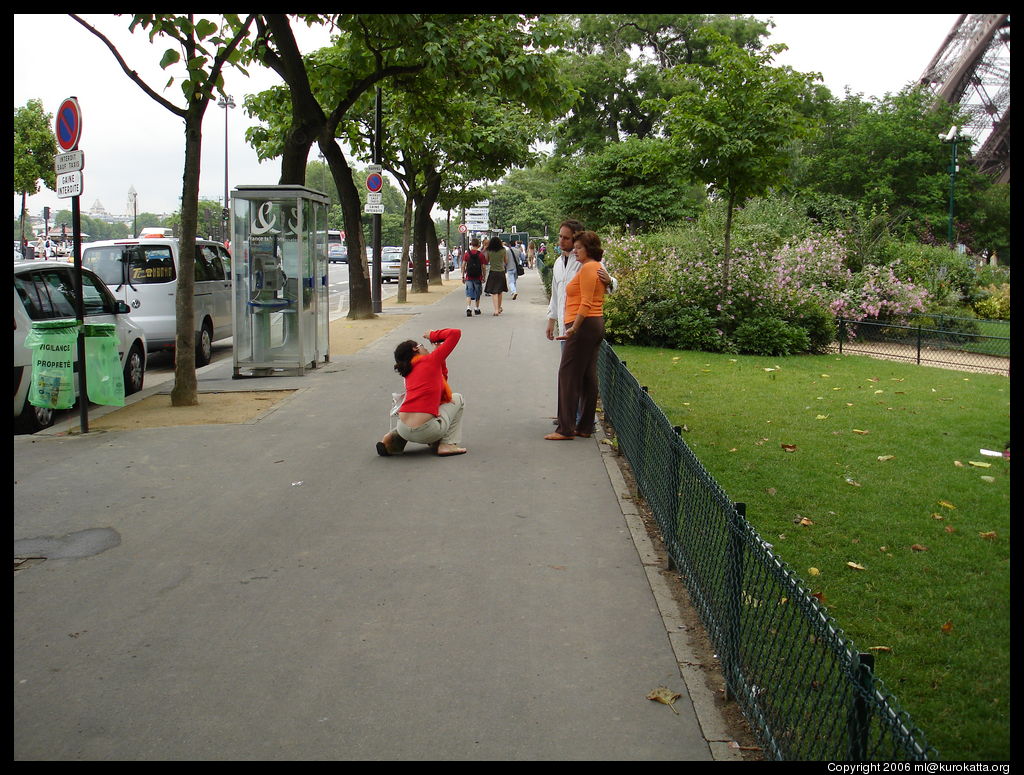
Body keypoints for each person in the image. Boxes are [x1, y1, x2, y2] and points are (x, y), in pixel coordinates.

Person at [545, 231, 607, 441]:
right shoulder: (591, 267)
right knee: (588, 376)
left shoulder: (589, 267)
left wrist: (573, 328)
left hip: (583, 325)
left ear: (588, 249)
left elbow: (587, 302)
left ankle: (566, 428)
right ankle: (584, 426)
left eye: (578, 247)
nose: (575, 251)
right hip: (590, 324)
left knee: (568, 375)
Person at [377, 328, 467, 457]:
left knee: (414, 418)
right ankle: (448, 444)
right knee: (458, 398)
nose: (426, 349)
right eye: (422, 346)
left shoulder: (408, 371)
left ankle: (393, 438)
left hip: (403, 428)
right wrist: (433, 335)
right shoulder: (431, 360)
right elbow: (455, 333)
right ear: (415, 349)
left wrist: (438, 353)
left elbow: (439, 382)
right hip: (426, 430)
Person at [483, 235, 508, 315]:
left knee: (494, 292)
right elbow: (506, 261)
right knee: (500, 291)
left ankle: (496, 309)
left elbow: (486, 261)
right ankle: (499, 308)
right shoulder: (503, 250)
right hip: (501, 272)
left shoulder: (489, 251)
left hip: (493, 272)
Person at [461, 238, 485, 317]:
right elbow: (483, 266)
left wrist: (463, 276)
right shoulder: (481, 255)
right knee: (477, 292)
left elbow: (463, 265)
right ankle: (477, 308)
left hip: (469, 276)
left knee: (469, 292)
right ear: (478, 245)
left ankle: (468, 307)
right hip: (478, 277)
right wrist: (484, 276)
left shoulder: (467, 254)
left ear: (471, 244)